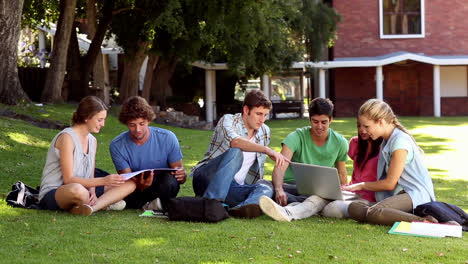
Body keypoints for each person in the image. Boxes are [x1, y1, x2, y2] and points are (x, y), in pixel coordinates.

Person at [190, 90, 289, 218]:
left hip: (233, 187)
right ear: (246, 110)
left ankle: (242, 209)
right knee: (236, 153)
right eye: (259, 114)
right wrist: (267, 149)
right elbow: (235, 142)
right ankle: (211, 203)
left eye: (265, 115)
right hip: (207, 178)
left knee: (265, 186)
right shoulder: (228, 120)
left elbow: (259, 168)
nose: (262, 120)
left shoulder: (264, 131)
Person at [343, 99, 436, 226]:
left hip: (414, 194)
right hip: (397, 195)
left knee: (374, 212)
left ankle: (424, 221)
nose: (363, 131)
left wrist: (361, 185)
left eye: (367, 126)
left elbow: (389, 184)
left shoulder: (400, 142)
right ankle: (390, 215)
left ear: (380, 121)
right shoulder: (386, 141)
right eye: (361, 126)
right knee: (353, 207)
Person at [38, 96, 136, 216]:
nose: (103, 124)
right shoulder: (67, 138)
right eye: (100, 120)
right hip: (58, 191)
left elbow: (90, 173)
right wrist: (103, 181)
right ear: (86, 117)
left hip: (85, 188)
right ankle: (103, 203)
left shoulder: (92, 141)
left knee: (129, 183)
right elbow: (68, 179)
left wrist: (93, 192)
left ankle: (92, 208)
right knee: (78, 190)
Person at [258, 97, 349, 222]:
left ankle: (288, 209)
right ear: (310, 119)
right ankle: (301, 205)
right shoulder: (296, 137)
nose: (319, 126)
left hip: (319, 193)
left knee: (319, 198)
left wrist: (341, 193)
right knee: (263, 184)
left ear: (331, 120)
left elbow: (342, 174)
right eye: (315, 121)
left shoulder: (340, 142)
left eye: (324, 122)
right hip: (291, 187)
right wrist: (279, 189)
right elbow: (280, 167)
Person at [109, 96, 186, 211]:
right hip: (135, 187)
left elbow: (179, 176)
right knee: (124, 189)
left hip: (162, 186)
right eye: (132, 125)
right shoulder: (117, 145)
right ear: (126, 123)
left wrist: (182, 175)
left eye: (142, 123)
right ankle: (152, 204)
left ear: (148, 120)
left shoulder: (168, 137)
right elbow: (127, 179)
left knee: (170, 183)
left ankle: (142, 204)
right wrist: (140, 186)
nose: (138, 129)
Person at [319, 120, 383, 218]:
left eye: (366, 126)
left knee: (331, 209)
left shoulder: (384, 148)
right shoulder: (355, 142)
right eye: (359, 126)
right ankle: (291, 209)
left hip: (369, 197)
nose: (362, 130)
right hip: (350, 191)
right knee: (317, 197)